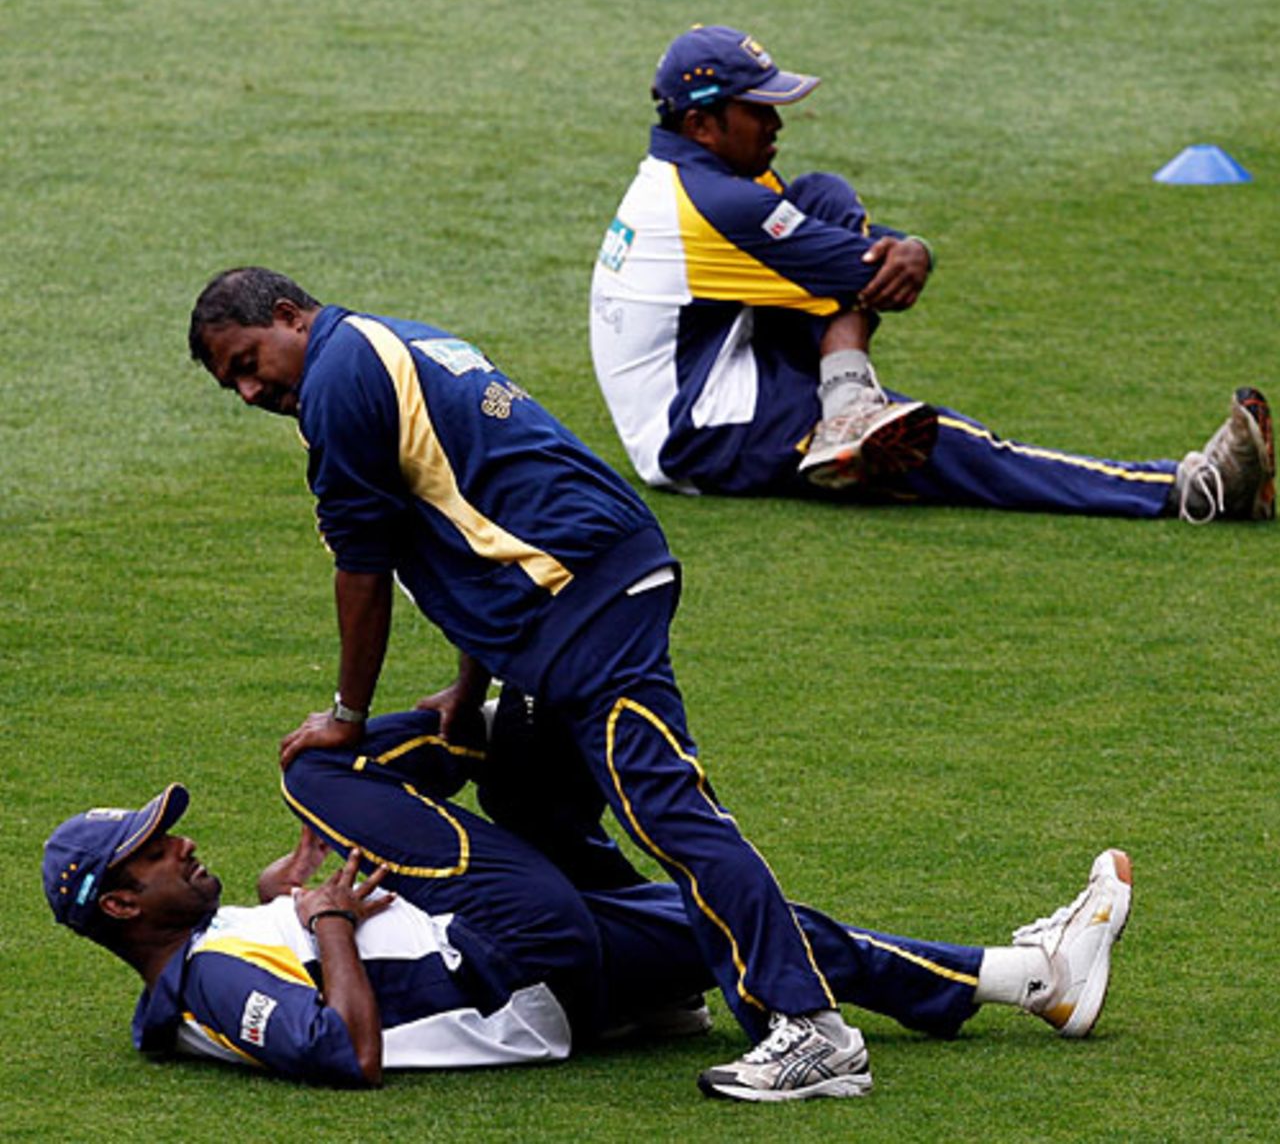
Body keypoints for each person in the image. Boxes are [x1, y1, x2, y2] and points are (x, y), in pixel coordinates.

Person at [186, 265, 883, 1100]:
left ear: (289, 316)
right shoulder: (387, 344)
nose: (250, 391)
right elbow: (463, 526)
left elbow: (364, 569)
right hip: (582, 587)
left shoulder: (337, 384)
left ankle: (809, 1027)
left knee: (671, 813)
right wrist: (467, 681)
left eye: (249, 362)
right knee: (531, 787)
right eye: (232, 384)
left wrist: (347, 713)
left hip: (582, 600)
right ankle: (659, 989)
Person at [43, 704, 1135, 1098]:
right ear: (124, 908)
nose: (180, 842)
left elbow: (318, 962)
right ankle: (492, 691)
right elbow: (345, 1055)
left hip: (526, 964)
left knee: (751, 929)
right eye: (154, 851)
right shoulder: (199, 984)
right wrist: (327, 921)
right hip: (515, 958)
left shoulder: (217, 944)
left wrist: (291, 903)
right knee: (328, 772)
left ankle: (1034, 977)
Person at [588, 24, 1275, 523]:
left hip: (715, 369)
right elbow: (878, 278)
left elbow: (843, 245)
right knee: (945, 447)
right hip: (706, 434)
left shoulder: (695, 177)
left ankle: (846, 400)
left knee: (821, 193)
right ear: (702, 125)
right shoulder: (720, 205)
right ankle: (1192, 490)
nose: (777, 123)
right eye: (757, 109)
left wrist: (908, 248)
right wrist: (913, 252)